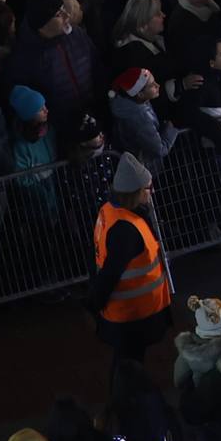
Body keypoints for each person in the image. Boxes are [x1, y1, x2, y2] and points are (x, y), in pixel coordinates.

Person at [86, 151, 170, 361]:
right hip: (132, 316)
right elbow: (111, 273)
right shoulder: (127, 229)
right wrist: (96, 304)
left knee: (126, 363)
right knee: (129, 365)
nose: (152, 192)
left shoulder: (108, 212)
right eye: (148, 188)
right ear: (135, 192)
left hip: (126, 314)